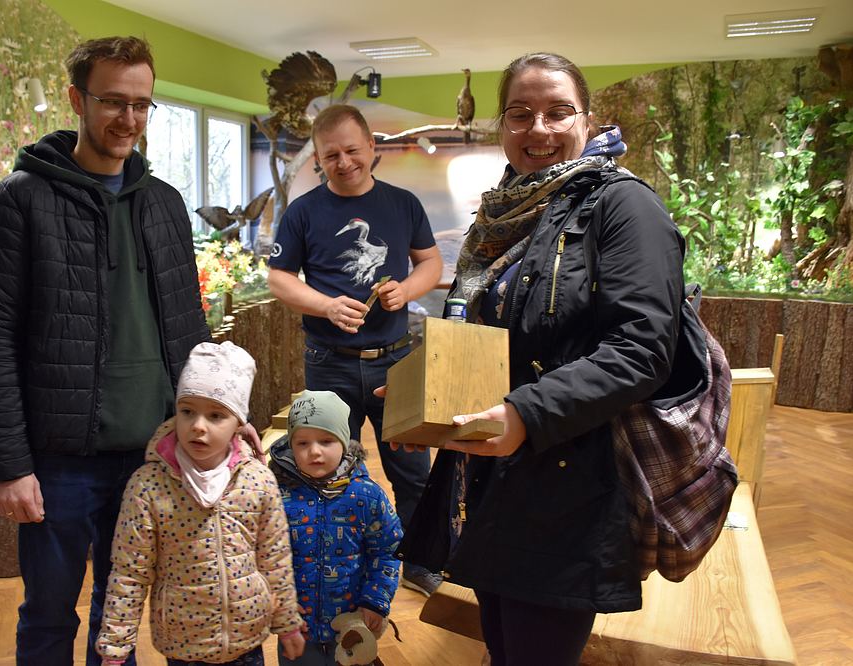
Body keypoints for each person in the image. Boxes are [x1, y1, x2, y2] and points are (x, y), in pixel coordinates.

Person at [397, 53, 686, 665]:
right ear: (502, 124)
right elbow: (488, 335)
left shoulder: (624, 206)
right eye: (520, 114)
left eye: (558, 112)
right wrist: (426, 403)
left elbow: (642, 348)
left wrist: (527, 414)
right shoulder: (500, 214)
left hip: (570, 483)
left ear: (588, 120)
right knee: (502, 649)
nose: (539, 129)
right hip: (490, 475)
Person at [0, 36, 211, 665]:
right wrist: (8, 465)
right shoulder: (21, 198)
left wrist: (213, 425)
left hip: (152, 453)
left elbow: (189, 329)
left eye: (142, 104)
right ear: (77, 100)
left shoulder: (165, 204)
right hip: (59, 461)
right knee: (48, 614)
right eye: (112, 102)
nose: (128, 119)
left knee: (120, 615)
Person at [267, 104, 443, 596]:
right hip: (329, 363)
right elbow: (279, 279)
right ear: (318, 160)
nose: (343, 162)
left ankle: (420, 560)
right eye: (331, 155)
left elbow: (430, 262)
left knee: (412, 468)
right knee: (324, 464)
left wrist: (407, 290)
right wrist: (326, 306)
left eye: (351, 150)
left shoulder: (403, 203)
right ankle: (334, 560)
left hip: (396, 360)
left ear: (371, 147)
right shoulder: (303, 212)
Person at [95, 341, 305, 666]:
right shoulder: (148, 486)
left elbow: (275, 558)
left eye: (216, 415)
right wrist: (115, 649)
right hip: (183, 645)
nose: (197, 425)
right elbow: (129, 573)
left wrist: (288, 624)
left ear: (239, 423)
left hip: (247, 641)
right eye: (187, 411)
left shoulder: (258, 481)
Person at [268, 390, 402, 666]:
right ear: (291, 445)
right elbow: (264, 555)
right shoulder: (277, 494)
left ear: (343, 441)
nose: (314, 451)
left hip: (352, 626)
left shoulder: (366, 495)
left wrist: (375, 600)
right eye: (302, 442)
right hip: (296, 628)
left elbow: (388, 550)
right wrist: (276, 600)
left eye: (326, 441)